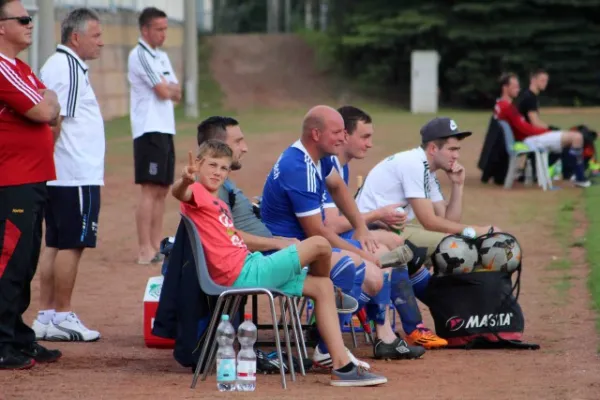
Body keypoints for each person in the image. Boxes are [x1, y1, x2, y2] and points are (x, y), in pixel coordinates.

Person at [172, 139, 388, 387]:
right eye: (212, 165)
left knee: (321, 288)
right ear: (197, 165)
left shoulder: (218, 202)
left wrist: (276, 242)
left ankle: (342, 366)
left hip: (249, 263)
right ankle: (337, 289)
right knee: (319, 244)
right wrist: (186, 180)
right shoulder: (196, 193)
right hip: (241, 273)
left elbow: (234, 236)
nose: (217, 173)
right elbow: (180, 193)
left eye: (223, 168)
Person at [260, 105, 425, 361]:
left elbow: (338, 188)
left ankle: (344, 336)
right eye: (337, 132)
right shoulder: (299, 167)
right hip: (286, 250)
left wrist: (361, 227)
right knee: (358, 267)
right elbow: (319, 234)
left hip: (307, 244)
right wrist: (363, 252)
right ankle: (328, 347)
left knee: (372, 263)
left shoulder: (319, 156)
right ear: (316, 134)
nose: (342, 137)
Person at [323, 105, 448, 349]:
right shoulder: (330, 165)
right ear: (345, 136)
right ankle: (394, 328)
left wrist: (373, 220)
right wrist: (377, 214)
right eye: (365, 136)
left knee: (396, 243)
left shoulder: (342, 165)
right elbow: (330, 223)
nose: (370, 144)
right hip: (322, 239)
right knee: (389, 249)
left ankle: (406, 325)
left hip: (335, 234)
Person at [31, 8, 104, 343]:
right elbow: (55, 121)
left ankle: (45, 315)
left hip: (62, 173)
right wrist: (46, 161)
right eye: (96, 35)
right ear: (76, 37)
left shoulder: (57, 65)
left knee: (55, 243)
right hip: (74, 173)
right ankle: (62, 314)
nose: (100, 42)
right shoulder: (69, 67)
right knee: (72, 245)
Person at [356, 117, 500, 284]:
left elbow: (448, 221)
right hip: (371, 230)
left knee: (456, 243)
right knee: (459, 249)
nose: (457, 155)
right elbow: (430, 222)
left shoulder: (426, 169)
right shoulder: (414, 164)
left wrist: (457, 185)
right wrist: (477, 231)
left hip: (393, 228)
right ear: (433, 148)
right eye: (452, 149)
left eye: (457, 149)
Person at [0, 0, 62, 369]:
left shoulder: (19, 67)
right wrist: (46, 103)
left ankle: (18, 335)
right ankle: (3, 341)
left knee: (25, 263)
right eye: (23, 19)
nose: (30, 24)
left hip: (32, 179)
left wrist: (46, 101)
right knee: (10, 262)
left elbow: (52, 105)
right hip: (12, 182)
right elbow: (43, 110)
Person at [128, 7, 182, 264]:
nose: (163, 34)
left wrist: (170, 89)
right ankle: (143, 248)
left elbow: (177, 92)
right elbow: (163, 91)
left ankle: (156, 246)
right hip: (148, 129)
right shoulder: (139, 55)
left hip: (165, 128)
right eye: (158, 29)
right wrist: (168, 88)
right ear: (145, 30)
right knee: (149, 189)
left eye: (165, 29)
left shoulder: (161, 56)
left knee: (162, 189)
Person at [494, 72, 591, 188]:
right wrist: (547, 131)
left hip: (529, 137)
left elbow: (524, 126)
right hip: (529, 140)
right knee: (577, 137)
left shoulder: (503, 105)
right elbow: (525, 128)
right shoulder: (507, 107)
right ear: (505, 88)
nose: (518, 89)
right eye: (515, 86)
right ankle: (579, 177)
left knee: (572, 138)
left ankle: (573, 175)